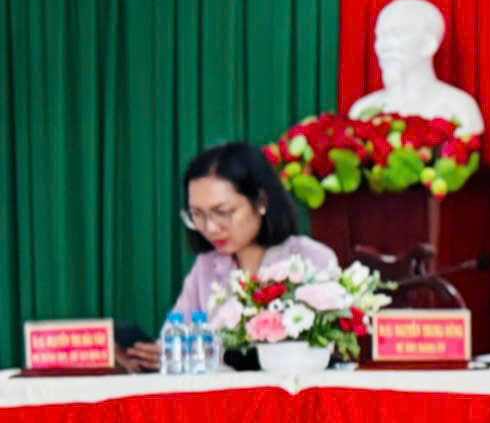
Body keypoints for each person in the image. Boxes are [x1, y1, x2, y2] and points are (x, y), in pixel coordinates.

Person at [123, 142, 340, 372]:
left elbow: (326, 348)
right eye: (197, 214)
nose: (210, 227)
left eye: (222, 212)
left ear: (261, 202)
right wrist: (162, 354)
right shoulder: (206, 266)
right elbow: (177, 331)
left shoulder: (311, 258)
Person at [348, 0, 485, 135]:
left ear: (428, 45)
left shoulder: (459, 108)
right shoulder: (362, 110)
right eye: (380, 36)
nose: (383, 46)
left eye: (396, 34)